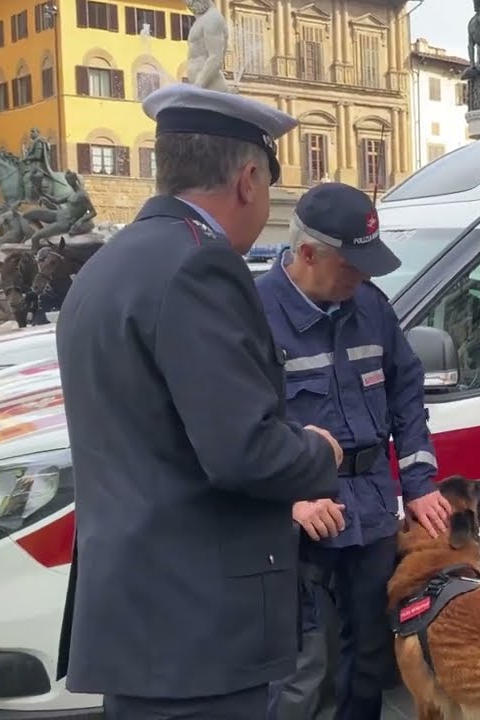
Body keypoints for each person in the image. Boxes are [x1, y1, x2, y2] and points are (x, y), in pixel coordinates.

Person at [53, 82, 347, 719]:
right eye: (267, 185)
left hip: (141, 625)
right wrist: (319, 452)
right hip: (199, 631)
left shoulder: (110, 264)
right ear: (247, 179)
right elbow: (244, 450)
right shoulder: (200, 268)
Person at [257, 182, 451, 720]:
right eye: (351, 266)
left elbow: (407, 388)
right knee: (301, 669)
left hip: (369, 512)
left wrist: (419, 483)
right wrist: (286, 505)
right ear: (307, 255)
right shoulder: (253, 316)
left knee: (369, 654)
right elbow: (237, 432)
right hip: (301, 523)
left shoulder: (369, 306)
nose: (362, 278)